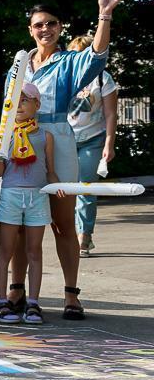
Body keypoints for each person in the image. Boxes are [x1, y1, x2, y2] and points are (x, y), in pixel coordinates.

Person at [8, 0, 124, 320]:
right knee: (18, 223)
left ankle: (71, 294)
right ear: (30, 30)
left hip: (57, 138)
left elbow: (97, 56)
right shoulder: (18, 64)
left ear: (60, 28)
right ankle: (17, 290)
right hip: (20, 140)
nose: (45, 29)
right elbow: (6, 108)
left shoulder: (69, 61)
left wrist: (104, 15)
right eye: (39, 24)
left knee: (62, 223)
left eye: (51, 23)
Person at [0, 84, 59, 325]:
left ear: (36, 105)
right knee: (6, 250)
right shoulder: (4, 134)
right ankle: (1, 302)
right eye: (13, 101)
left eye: (24, 100)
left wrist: (58, 187)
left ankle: (33, 303)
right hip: (11, 195)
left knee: (34, 250)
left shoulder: (45, 136)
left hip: (37, 197)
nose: (18, 106)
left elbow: (50, 171)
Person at [66, 35, 118, 257]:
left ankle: (84, 236)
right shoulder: (65, 76)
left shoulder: (102, 78)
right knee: (65, 189)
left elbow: (111, 114)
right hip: (65, 139)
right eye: (75, 55)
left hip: (93, 139)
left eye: (84, 54)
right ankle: (67, 233)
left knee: (86, 187)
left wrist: (109, 144)